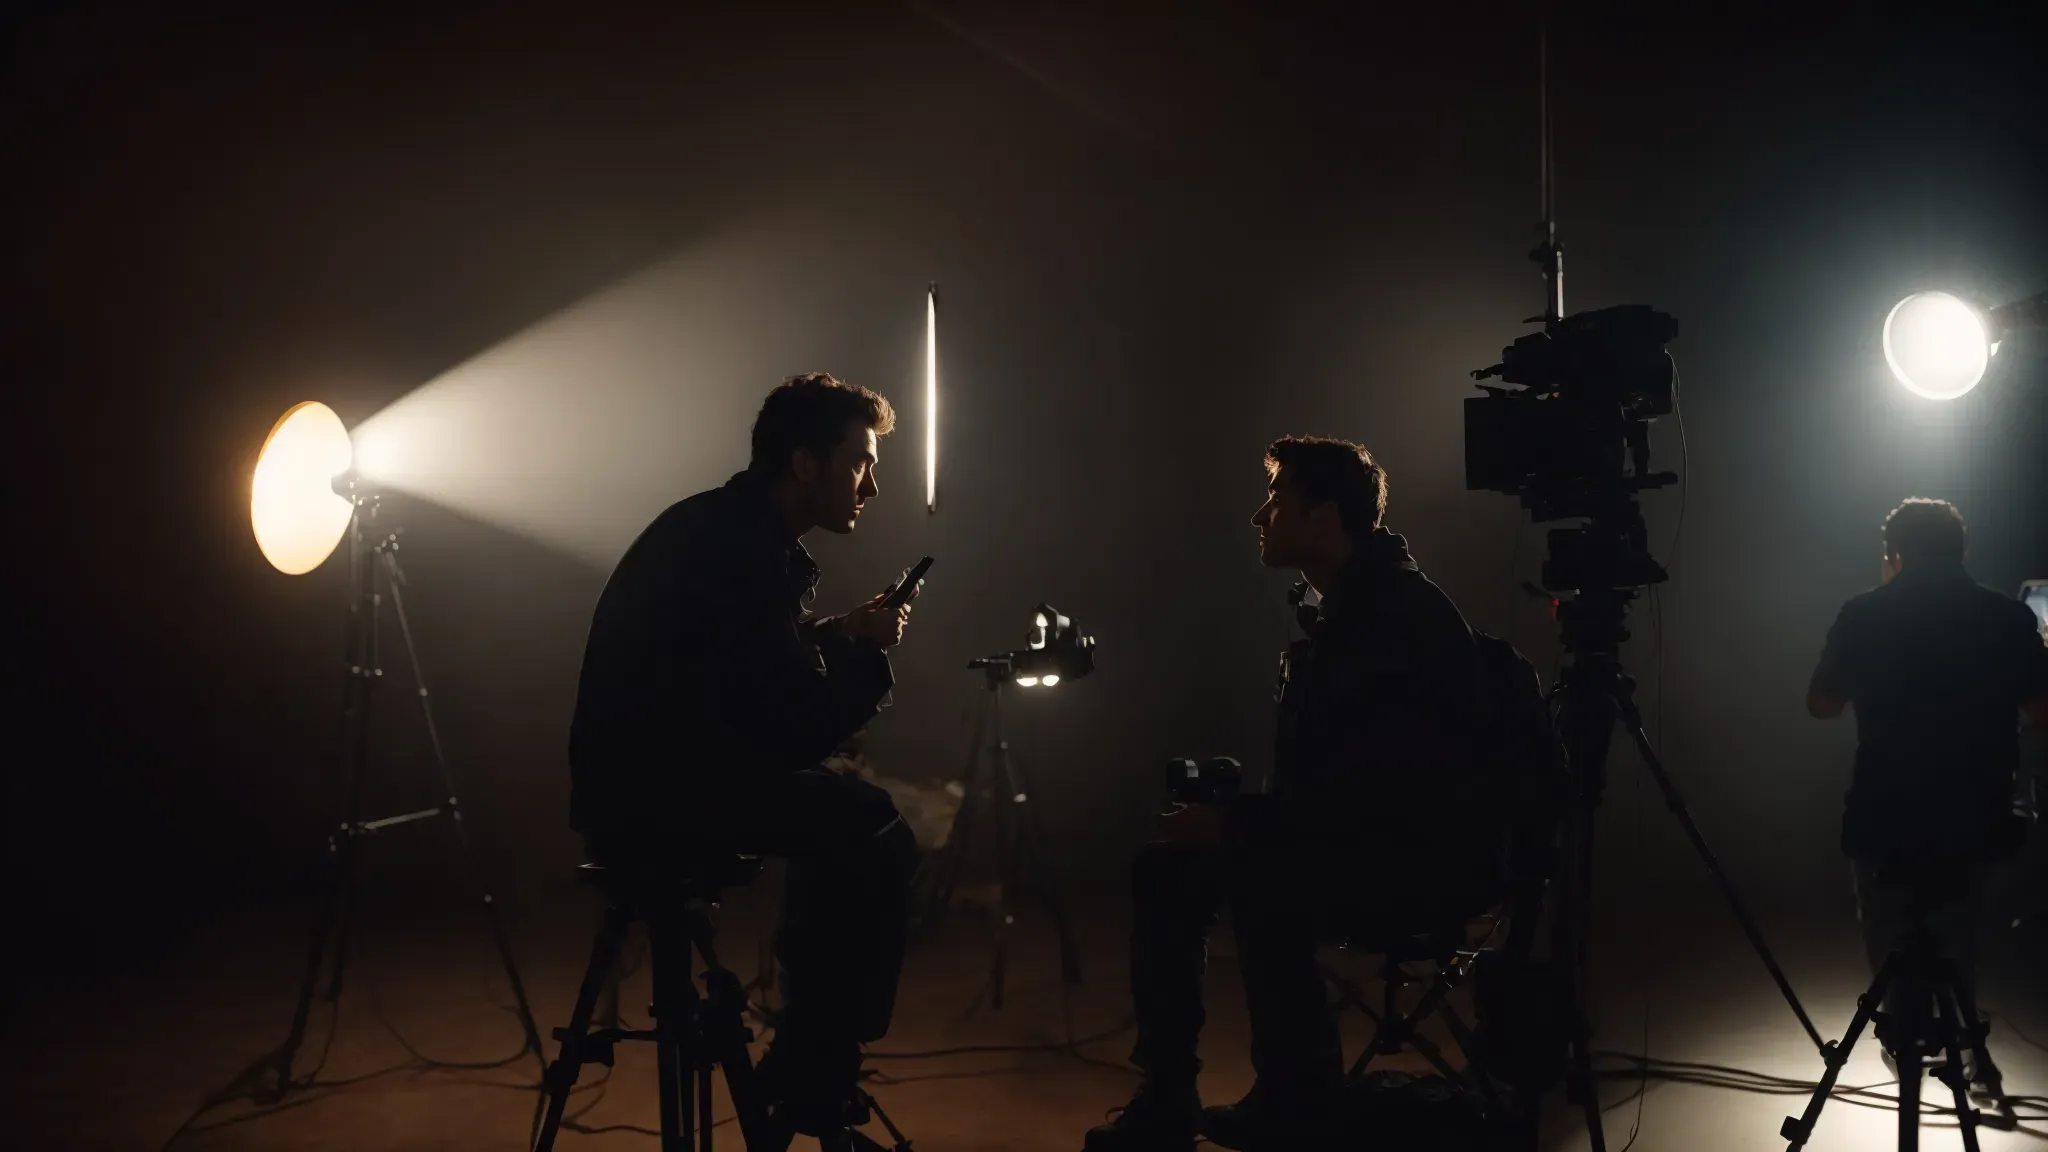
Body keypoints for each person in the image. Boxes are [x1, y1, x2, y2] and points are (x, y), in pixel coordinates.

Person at [1086, 436, 1486, 1152]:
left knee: (1247, 874)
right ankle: (1222, 1095)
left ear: (1324, 517)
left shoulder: (1386, 621)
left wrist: (1236, 826)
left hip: (1411, 864)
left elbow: (1369, 802)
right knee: (1176, 867)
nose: (1258, 516)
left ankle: (1284, 1099)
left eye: (1276, 499)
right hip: (1362, 842)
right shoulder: (1354, 608)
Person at [568, 372, 922, 1134]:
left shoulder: (721, 528)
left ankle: (810, 1056)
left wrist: (841, 633)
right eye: (860, 463)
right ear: (805, 463)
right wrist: (866, 658)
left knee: (843, 812)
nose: (872, 487)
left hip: (637, 783)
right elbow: (791, 727)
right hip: (665, 798)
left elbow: (742, 671)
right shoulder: (749, 556)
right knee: (876, 828)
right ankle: (817, 1068)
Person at [1806, 498, 2048, 1053]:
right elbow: (2043, 711)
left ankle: (1900, 1028)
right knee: (1960, 919)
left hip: (1883, 815)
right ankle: (1961, 1026)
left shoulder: (1862, 613)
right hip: (1978, 817)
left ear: (1893, 556)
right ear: (1962, 552)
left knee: (1887, 921)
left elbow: (1821, 705)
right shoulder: (2006, 617)